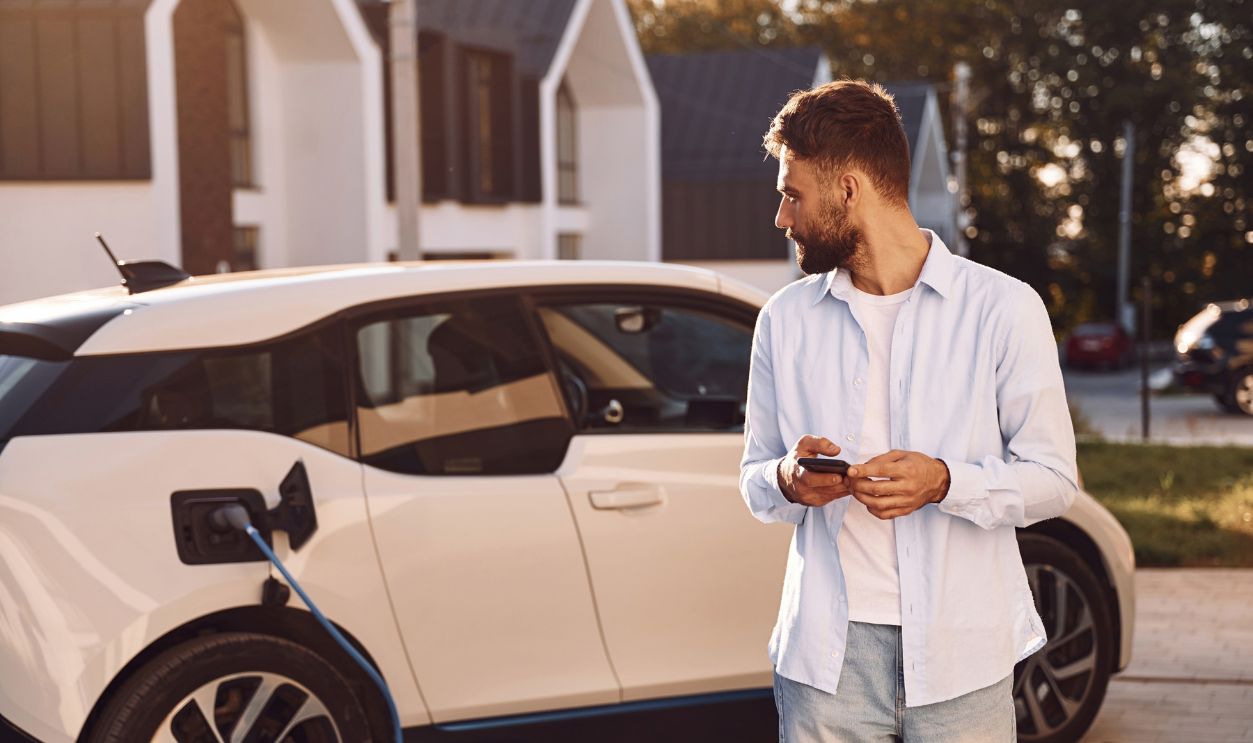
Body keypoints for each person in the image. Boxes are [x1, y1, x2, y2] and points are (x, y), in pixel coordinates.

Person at [739, 79, 1078, 742]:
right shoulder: (784, 320)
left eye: (791, 193)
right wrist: (786, 476)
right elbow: (753, 478)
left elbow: (1053, 476)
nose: (783, 217)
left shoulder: (1002, 309)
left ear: (848, 190)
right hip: (824, 668)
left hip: (962, 657)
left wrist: (945, 481)